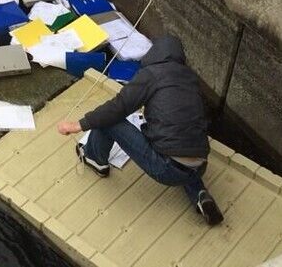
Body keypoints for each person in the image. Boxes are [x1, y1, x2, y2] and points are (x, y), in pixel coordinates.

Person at [57, 34, 224, 226]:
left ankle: (95, 158)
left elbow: (118, 108)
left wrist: (78, 125)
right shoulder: (190, 78)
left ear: (154, 53)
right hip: (200, 165)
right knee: (184, 154)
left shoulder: (151, 74)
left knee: (109, 121)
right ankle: (200, 194)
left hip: (166, 168)